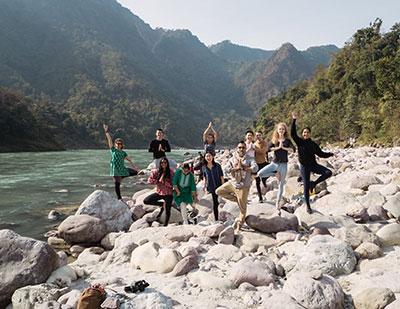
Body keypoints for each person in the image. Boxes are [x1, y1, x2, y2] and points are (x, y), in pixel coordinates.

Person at [291, 111, 334, 214]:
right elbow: (292, 133)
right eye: (304, 132)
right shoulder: (299, 142)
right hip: (304, 166)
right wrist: (294, 120)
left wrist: (330, 154)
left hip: (313, 165)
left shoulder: (313, 144)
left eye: (307, 132)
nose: (306, 134)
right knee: (306, 186)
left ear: (310, 134)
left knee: (328, 172)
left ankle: (313, 183)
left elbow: (321, 154)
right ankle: (308, 206)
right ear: (302, 134)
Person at [216, 141, 258, 233]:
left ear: (246, 149)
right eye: (239, 147)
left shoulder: (250, 159)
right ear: (237, 148)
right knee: (218, 191)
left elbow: (255, 168)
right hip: (233, 183)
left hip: (243, 186)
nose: (241, 149)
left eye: (243, 147)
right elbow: (225, 169)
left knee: (243, 210)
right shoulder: (232, 159)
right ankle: (238, 200)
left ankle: (239, 226)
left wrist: (245, 167)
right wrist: (234, 168)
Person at [257, 123, 295, 213]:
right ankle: (274, 173)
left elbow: (293, 149)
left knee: (281, 184)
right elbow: (269, 149)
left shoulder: (287, 141)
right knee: (260, 174)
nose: (281, 130)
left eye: (282, 129)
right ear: (277, 130)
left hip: (283, 165)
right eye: (279, 129)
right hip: (274, 163)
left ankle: (277, 203)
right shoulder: (274, 140)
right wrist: (278, 147)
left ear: (285, 130)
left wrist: (284, 148)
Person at [103, 124, 140, 200]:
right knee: (117, 184)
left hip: (122, 169)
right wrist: (106, 132)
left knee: (136, 172)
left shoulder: (123, 153)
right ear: (115, 144)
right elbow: (109, 140)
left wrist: (135, 167)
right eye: (117, 143)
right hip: (115, 170)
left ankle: (122, 177)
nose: (118, 145)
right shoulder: (113, 150)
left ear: (122, 145)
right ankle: (119, 198)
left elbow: (129, 160)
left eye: (120, 144)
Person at [144, 158, 174, 226]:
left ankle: (165, 225)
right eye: (162, 163)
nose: (163, 164)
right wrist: (157, 181)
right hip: (159, 192)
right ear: (160, 164)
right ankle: (162, 204)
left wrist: (166, 183)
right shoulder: (156, 172)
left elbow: (174, 183)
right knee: (146, 201)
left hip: (168, 193)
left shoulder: (171, 172)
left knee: (167, 211)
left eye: (165, 162)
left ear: (167, 163)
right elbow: (149, 181)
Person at [202, 152, 225, 221]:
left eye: (210, 156)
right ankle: (216, 219)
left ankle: (221, 216)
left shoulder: (217, 165)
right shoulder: (204, 167)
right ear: (205, 158)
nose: (208, 158)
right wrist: (204, 186)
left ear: (212, 157)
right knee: (215, 204)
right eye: (207, 156)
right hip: (210, 187)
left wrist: (223, 185)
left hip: (218, 186)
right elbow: (205, 178)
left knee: (219, 202)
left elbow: (221, 176)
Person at [254, 131, 269, 203]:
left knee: (274, 170)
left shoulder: (265, 143)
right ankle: (260, 197)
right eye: (257, 135)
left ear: (261, 135)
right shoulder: (254, 144)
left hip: (263, 163)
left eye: (259, 135)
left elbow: (263, 151)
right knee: (257, 182)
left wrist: (255, 149)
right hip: (256, 164)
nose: (258, 136)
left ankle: (264, 179)